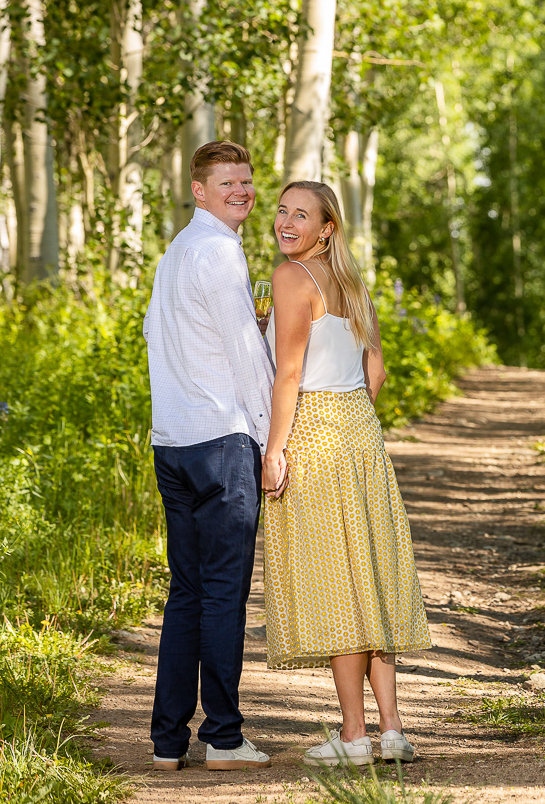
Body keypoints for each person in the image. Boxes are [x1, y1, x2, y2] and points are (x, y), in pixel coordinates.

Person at [262, 181, 432, 767]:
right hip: (362, 433)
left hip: (314, 431)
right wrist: (351, 414)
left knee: (338, 587)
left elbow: (288, 375)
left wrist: (275, 449)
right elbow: (376, 369)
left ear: (326, 228)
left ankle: (354, 736)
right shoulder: (353, 283)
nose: (285, 222)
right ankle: (392, 730)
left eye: (300, 215)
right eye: (282, 211)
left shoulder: (290, 280)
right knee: (373, 578)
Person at [142, 141, 273, 771]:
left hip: (173, 443)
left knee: (187, 594)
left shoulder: (176, 252)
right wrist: (276, 439)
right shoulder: (220, 253)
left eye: (248, 181)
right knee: (223, 594)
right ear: (200, 189)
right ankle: (222, 737)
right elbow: (248, 360)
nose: (243, 191)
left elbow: (157, 335)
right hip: (221, 443)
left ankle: (168, 741)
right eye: (229, 182)